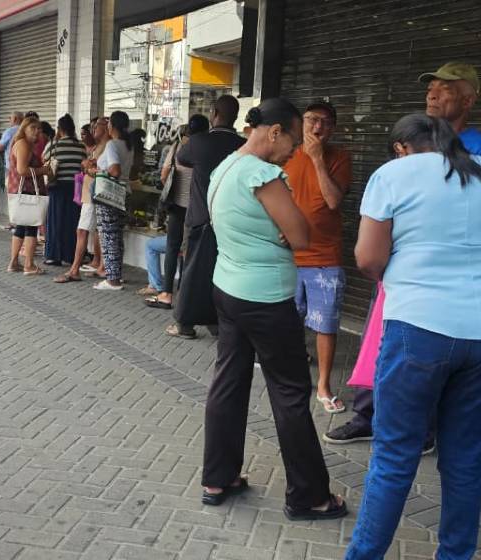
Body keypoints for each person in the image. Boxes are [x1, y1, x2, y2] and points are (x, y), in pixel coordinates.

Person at [343, 113, 481, 559]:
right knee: (466, 459)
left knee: (394, 457)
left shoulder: (392, 175)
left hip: (419, 325)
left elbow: (369, 259)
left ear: (404, 147)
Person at [325, 61, 481, 446]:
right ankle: (367, 413)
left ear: (469, 99)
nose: (433, 93)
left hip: (439, 279)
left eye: (446, 88)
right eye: (431, 87)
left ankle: (418, 427)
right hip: (395, 267)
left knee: (422, 351)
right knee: (380, 339)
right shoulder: (413, 141)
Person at [201, 98, 346, 522]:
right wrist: (286, 230)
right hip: (265, 299)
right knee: (290, 394)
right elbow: (301, 234)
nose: (296, 151)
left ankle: (218, 478)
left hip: (228, 289)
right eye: (294, 141)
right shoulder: (262, 174)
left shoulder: (225, 168)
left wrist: (276, 231)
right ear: (275, 131)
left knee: (228, 382)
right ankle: (309, 496)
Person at [281, 101, 353, 414]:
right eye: (311, 120)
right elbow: (275, 198)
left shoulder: (340, 158)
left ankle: (323, 384)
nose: (317, 127)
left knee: (326, 325)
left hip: (325, 257)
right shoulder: (286, 156)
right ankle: (291, 375)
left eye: (324, 122)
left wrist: (318, 160)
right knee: (287, 321)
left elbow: (334, 201)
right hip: (287, 256)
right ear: (302, 123)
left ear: (332, 127)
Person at [169, 95, 246, 339]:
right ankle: (215, 320)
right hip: (232, 222)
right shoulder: (242, 145)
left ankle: (184, 323)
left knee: (192, 271)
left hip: (201, 218)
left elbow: (181, 159)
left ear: (213, 113)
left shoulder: (199, 142)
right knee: (222, 273)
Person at [145, 115, 209, 310]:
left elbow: (164, 176)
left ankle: (166, 294)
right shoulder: (206, 150)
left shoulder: (178, 148)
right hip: (197, 208)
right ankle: (183, 293)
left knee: (173, 248)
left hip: (176, 206)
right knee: (188, 250)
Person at [54, 116, 110, 284]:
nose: (93, 130)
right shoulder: (98, 146)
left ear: (107, 127)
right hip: (89, 193)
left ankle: (75, 269)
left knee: (82, 230)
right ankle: (98, 265)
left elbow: (106, 170)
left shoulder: (108, 146)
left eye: (97, 127)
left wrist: (89, 167)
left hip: (94, 194)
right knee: (93, 231)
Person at [91, 111, 134, 291]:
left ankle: (112, 280)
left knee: (108, 236)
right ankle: (116, 274)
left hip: (109, 195)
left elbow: (114, 170)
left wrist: (95, 172)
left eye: (108, 123)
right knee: (116, 236)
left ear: (112, 126)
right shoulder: (128, 145)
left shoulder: (112, 145)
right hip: (124, 193)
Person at [42, 114, 86, 266]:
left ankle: (54, 255)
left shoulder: (54, 145)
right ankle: (69, 256)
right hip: (75, 186)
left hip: (57, 185)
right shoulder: (81, 146)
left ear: (59, 129)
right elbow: (83, 164)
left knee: (55, 220)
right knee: (72, 221)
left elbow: (44, 159)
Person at [6, 117, 45, 274]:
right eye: (33, 128)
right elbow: (22, 170)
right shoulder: (22, 144)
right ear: (24, 129)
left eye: (39, 128)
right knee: (31, 227)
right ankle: (28, 265)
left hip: (21, 191)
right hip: (27, 191)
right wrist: (43, 170)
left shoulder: (24, 144)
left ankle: (14, 263)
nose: (37, 131)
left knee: (21, 227)